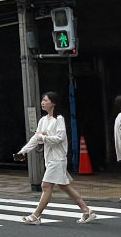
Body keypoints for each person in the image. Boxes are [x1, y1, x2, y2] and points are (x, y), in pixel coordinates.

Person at [18, 92, 98, 224]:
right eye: (42, 100)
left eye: (45, 100)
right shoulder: (43, 120)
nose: (42, 103)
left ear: (53, 103)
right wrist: (23, 151)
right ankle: (86, 211)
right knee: (65, 187)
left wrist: (43, 137)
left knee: (46, 185)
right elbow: (36, 138)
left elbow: (59, 138)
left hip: (58, 158)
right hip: (50, 158)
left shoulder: (59, 119)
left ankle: (36, 215)